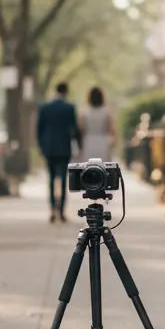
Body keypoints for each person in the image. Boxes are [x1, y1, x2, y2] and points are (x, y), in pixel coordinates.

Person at [37, 82, 81, 223]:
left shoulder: (45, 107)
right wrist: (79, 145)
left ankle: (52, 209)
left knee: (50, 179)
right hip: (64, 147)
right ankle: (61, 211)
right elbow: (74, 129)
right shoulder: (69, 108)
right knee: (63, 180)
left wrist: (41, 147)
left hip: (49, 148)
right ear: (66, 92)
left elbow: (39, 130)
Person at [78, 86, 115, 162]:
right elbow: (111, 130)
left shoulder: (84, 113)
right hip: (102, 142)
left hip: (88, 142)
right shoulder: (107, 112)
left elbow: (81, 130)